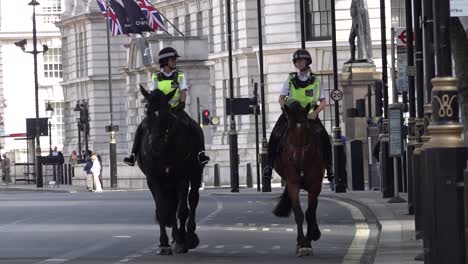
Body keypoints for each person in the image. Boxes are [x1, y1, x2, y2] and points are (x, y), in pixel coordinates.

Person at [123, 47, 210, 167]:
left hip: (175, 109)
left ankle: (201, 154)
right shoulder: (155, 77)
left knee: (195, 127)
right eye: (172, 59)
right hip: (160, 110)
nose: (175, 62)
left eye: (175, 59)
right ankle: (132, 155)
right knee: (141, 128)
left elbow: (183, 91)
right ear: (165, 62)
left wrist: (182, 103)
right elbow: (153, 93)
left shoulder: (179, 75)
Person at [263, 49, 333, 180]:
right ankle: (269, 166)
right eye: (297, 62)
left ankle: (329, 167)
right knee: (275, 134)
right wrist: (286, 109)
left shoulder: (316, 81)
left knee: (324, 137)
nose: (299, 64)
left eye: (301, 61)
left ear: (307, 62)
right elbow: (281, 98)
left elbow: (323, 102)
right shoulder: (290, 79)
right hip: (291, 115)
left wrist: (315, 113)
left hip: (309, 116)